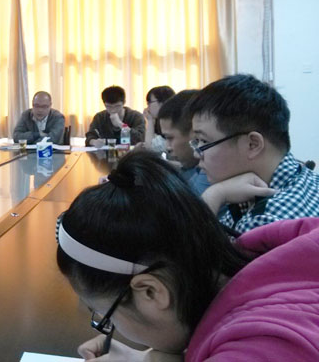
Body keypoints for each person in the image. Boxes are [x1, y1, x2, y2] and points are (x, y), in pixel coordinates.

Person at [57, 151, 319, 361]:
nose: (110, 327)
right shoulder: (271, 254)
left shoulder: (262, 347)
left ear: (150, 291)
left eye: (106, 317)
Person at [189, 74, 319, 233]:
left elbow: (187, 249)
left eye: (203, 141)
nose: (197, 154)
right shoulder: (302, 176)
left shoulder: (265, 223)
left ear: (253, 144)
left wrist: (213, 195)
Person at [157, 90, 210, 197]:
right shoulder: (194, 168)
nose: (167, 147)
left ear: (195, 134)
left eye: (169, 138)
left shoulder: (210, 172)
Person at [142, 85, 175, 152]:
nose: (147, 107)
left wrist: (150, 121)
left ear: (162, 103)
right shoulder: (158, 121)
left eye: (149, 103)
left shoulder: (172, 121)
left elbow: (150, 147)